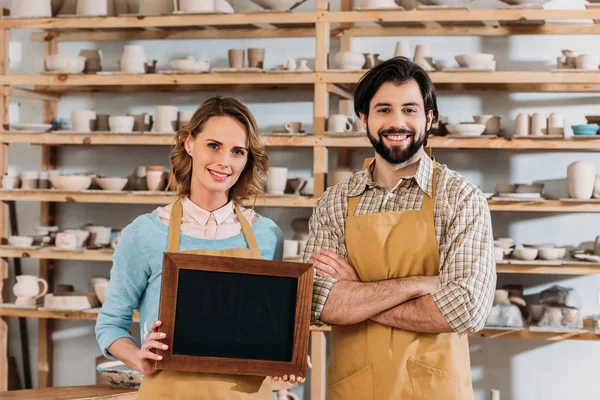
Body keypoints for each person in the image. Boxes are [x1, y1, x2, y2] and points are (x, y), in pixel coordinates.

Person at [303, 57, 496, 400]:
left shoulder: (461, 198)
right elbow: (319, 301)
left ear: (429, 118)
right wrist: (420, 284)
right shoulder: (334, 202)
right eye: (383, 110)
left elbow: (466, 308)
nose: (397, 122)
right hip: (355, 388)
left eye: (409, 109)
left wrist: (358, 294)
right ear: (363, 118)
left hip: (435, 390)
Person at [96, 96, 302, 399]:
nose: (225, 162)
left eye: (237, 151)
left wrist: (287, 357)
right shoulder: (145, 233)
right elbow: (110, 325)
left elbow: (267, 330)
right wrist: (139, 357)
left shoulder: (267, 235)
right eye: (214, 145)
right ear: (188, 143)